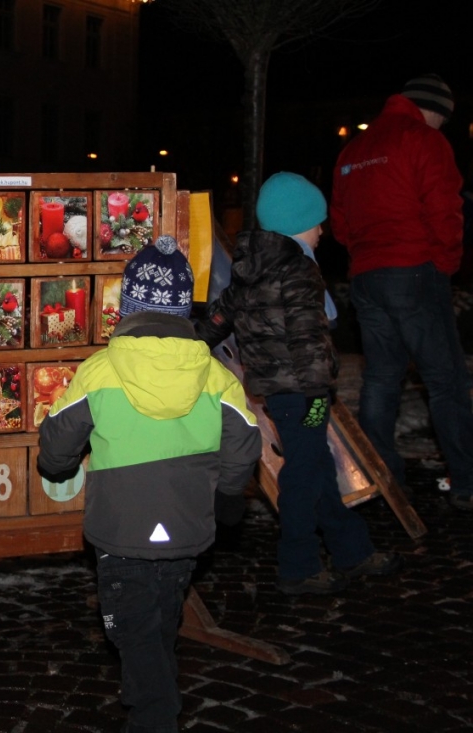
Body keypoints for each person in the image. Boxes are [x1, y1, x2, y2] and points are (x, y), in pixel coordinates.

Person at [38, 235, 261, 733]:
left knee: (133, 630)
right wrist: (229, 497)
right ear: (184, 309)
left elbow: (57, 441)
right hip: (187, 523)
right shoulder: (215, 375)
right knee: (160, 619)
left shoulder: (100, 371)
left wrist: (55, 462)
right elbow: (246, 441)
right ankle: (154, 703)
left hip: (121, 528)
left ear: (128, 307)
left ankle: (155, 717)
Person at [197, 172, 403, 595]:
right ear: (296, 225)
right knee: (304, 475)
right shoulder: (297, 268)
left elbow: (221, 315)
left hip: (281, 393)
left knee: (317, 466)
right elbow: (309, 333)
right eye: (316, 223)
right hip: (305, 392)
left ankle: (351, 550)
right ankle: (298, 565)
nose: (322, 231)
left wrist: (192, 342)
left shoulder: (252, 267)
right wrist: (319, 391)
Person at [330, 74, 473, 511]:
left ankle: (384, 477)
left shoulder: (354, 150)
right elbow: (445, 208)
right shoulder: (424, 140)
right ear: (435, 111)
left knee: (381, 378)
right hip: (414, 270)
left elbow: (340, 222)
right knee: (446, 381)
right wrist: (445, 263)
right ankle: (466, 481)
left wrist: (365, 256)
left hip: (367, 276)